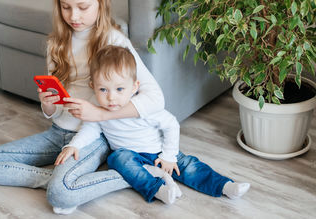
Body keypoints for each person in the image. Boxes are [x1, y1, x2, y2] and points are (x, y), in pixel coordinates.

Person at [0, 0, 164, 215]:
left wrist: (101, 114)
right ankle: (59, 181)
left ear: (100, 3)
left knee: (60, 195)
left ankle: (138, 176)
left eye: (83, 7)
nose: (74, 16)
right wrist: (47, 105)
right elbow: (55, 110)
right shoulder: (56, 44)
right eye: (66, 7)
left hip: (94, 136)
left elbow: (156, 98)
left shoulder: (114, 41)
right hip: (58, 132)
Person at [55, 45, 251, 207]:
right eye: (103, 89)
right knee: (117, 159)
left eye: (119, 89)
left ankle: (225, 186)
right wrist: (74, 145)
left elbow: (171, 125)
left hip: (157, 152)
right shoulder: (97, 110)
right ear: (93, 87)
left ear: (134, 87)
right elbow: (89, 129)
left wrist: (168, 156)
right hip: (129, 155)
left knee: (188, 167)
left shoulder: (142, 107)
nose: (111, 97)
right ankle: (157, 189)